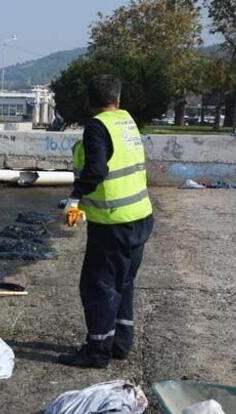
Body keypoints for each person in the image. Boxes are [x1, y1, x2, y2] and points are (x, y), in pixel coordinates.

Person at [58, 75, 154, 369]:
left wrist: (75, 197)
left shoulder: (97, 128)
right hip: (140, 217)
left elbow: (97, 169)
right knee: (124, 283)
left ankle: (97, 350)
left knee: (98, 286)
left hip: (113, 224)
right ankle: (120, 343)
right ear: (118, 99)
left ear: (90, 102)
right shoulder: (126, 122)